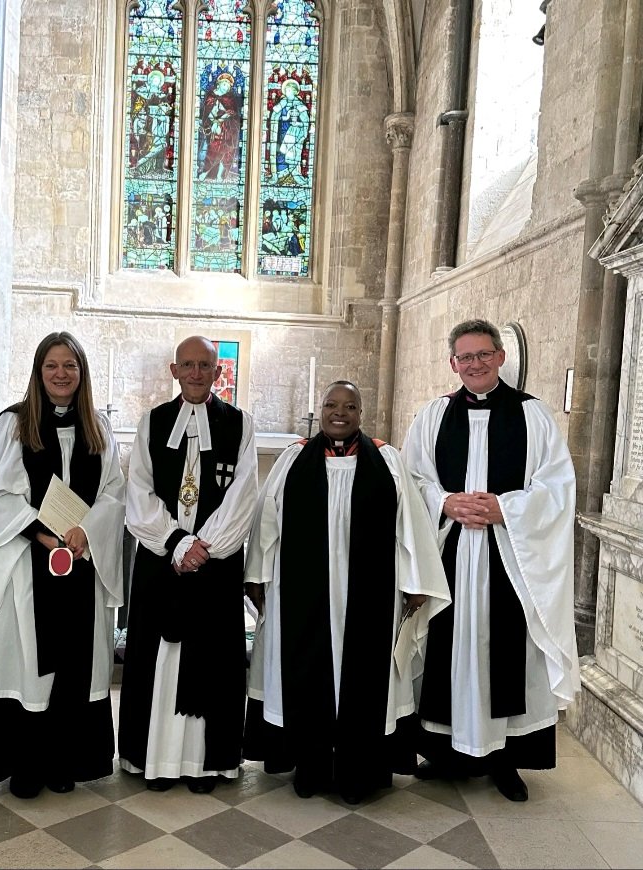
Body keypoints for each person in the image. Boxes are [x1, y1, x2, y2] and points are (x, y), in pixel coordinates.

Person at [243, 381, 450, 804]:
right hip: (300, 594)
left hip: (372, 596)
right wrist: (256, 575)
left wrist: (415, 583)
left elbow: (411, 525)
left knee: (365, 678)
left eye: (350, 406)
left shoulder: (386, 460)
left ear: (360, 412)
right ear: (320, 409)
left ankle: (362, 771)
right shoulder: (293, 459)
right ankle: (311, 767)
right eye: (332, 405)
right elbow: (266, 523)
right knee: (305, 671)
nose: (340, 413)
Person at [403, 318, 580, 802]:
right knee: (448, 647)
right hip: (452, 552)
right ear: (452, 363)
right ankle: (446, 754)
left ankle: (505, 760)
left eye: (483, 354)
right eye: (465, 357)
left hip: (509, 555)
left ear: (501, 357)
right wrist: (444, 502)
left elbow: (558, 486)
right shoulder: (434, 416)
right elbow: (411, 478)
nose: (475, 364)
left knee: (507, 653)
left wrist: (507, 507)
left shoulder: (533, 415)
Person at [0, 332, 126, 799]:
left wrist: (86, 530)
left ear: (81, 372)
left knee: (74, 662)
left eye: (70, 365)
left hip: (81, 561)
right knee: (27, 663)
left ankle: (63, 762)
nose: (61, 374)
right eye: (52, 365)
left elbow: (114, 492)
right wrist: (42, 532)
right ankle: (24, 765)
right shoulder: (13, 424)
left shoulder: (98, 428)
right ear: (38, 370)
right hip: (27, 563)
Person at [118, 335, 258, 794]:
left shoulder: (239, 424)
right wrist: (176, 542)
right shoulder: (152, 422)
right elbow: (137, 491)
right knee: (158, 658)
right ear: (173, 370)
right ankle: (154, 761)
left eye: (206, 366)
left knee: (211, 659)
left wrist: (205, 546)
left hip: (214, 565)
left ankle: (206, 765)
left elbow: (243, 496)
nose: (197, 373)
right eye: (188, 365)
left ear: (218, 373)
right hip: (162, 562)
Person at [197, 72, 242, 181]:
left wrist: (218, 121)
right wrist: (213, 122)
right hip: (214, 130)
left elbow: (232, 113)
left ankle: (220, 176)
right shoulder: (211, 97)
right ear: (219, 84)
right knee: (213, 150)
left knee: (226, 152)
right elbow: (207, 112)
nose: (226, 88)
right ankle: (205, 173)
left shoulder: (229, 99)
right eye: (225, 84)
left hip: (228, 130)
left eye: (228, 86)